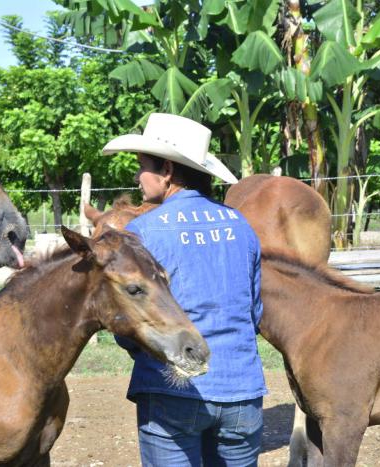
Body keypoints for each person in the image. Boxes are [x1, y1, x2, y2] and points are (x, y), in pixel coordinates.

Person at [102, 113, 266, 466]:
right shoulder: (242, 226)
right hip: (241, 390)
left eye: (142, 165)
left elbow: (128, 325)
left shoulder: (141, 233)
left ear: (167, 171)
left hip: (170, 392)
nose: (137, 176)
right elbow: (254, 314)